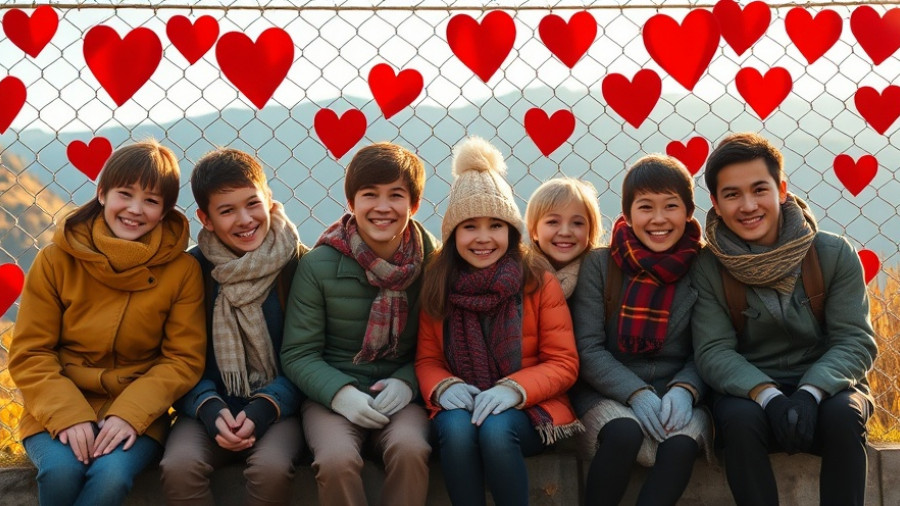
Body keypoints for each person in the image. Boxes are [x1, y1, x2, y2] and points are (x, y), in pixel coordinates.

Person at [8, 140, 207, 506]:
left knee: (110, 476)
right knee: (60, 471)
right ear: (102, 193)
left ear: (164, 211)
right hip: (59, 402)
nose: (135, 209)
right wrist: (68, 416)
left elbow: (183, 359)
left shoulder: (182, 272)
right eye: (125, 194)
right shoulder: (56, 259)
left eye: (151, 200)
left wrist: (130, 415)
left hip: (137, 409)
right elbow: (31, 351)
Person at [692, 132, 877, 506]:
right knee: (738, 421)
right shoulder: (708, 266)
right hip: (750, 392)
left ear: (781, 188)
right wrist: (768, 396)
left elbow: (855, 341)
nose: (748, 206)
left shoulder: (832, 253)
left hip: (826, 388)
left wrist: (811, 393)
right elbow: (713, 352)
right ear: (714, 202)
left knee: (844, 416)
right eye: (732, 195)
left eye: (760, 189)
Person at [416, 136, 582, 506]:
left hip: (530, 407)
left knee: (494, 429)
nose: (484, 238)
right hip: (460, 399)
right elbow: (427, 358)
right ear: (453, 233)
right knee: (458, 430)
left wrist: (513, 389)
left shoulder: (537, 279)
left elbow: (563, 362)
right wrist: (443, 387)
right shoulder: (438, 282)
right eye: (470, 226)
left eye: (496, 225)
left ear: (511, 231)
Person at [280, 142, 436, 506]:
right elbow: (298, 352)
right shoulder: (318, 265)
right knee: (336, 461)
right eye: (370, 195)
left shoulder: (434, 263)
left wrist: (407, 382)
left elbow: (442, 345)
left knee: (411, 450)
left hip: (401, 390)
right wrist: (339, 393)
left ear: (413, 205)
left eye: (396, 195)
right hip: (330, 394)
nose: (383, 207)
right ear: (351, 203)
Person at [159, 148, 307, 505]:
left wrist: (264, 407)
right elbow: (175, 356)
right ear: (205, 219)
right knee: (179, 466)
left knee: (270, 468)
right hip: (207, 406)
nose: (245, 219)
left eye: (252, 203)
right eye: (227, 211)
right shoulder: (191, 271)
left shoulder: (298, 265)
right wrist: (208, 407)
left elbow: (308, 354)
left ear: (269, 199)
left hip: (279, 406)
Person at [568, 154, 710, 506]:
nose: (658, 219)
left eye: (671, 206)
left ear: (689, 212)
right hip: (608, 392)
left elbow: (712, 346)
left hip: (680, 391)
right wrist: (636, 393)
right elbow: (587, 347)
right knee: (623, 432)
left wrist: (685, 389)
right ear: (628, 214)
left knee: (680, 445)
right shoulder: (601, 265)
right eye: (645, 207)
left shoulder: (704, 265)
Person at [525, 177, 604, 298]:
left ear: (591, 231)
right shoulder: (518, 275)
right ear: (534, 230)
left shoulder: (601, 276)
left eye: (577, 223)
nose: (565, 232)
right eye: (553, 222)